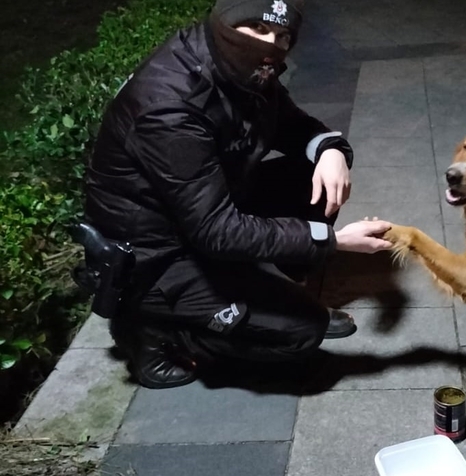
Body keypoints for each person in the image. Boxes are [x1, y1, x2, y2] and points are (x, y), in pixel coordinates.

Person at [82, 0, 393, 389]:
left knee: (313, 175)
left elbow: (293, 126)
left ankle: (276, 289)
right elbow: (217, 231)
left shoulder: (240, 68)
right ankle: (152, 329)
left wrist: (331, 150)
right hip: (155, 256)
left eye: (282, 37)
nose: (270, 44)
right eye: (257, 29)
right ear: (225, 24)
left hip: (205, 208)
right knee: (301, 333)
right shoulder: (170, 107)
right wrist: (333, 241)